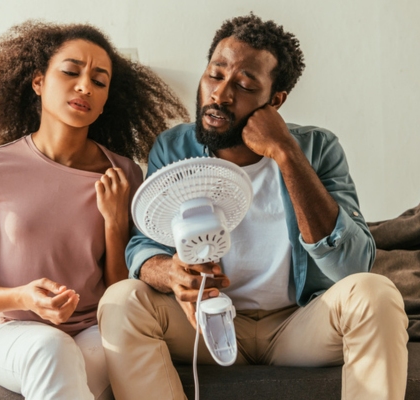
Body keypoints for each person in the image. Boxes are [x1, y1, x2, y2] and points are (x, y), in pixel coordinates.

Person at [98, 13, 408, 400]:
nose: (221, 94)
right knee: (121, 301)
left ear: (274, 101)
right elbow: (144, 245)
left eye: (244, 84)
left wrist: (285, 153)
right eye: (215, 74)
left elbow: (351, 265)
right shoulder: (174, 148)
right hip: (208, 323)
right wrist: (168, 272)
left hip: (296, 323)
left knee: (375, 292)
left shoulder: (318, 149)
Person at [0, 21, 189, 400]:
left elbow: (120, 290)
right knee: (52, 348)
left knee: (79, 355)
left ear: (107, 97)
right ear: (39, 81)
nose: (84, 87)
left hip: (96, 328)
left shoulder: (124, 173)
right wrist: (24, 297)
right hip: (14, 332)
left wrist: (114, 222)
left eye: (99, 80)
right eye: (70, 71)